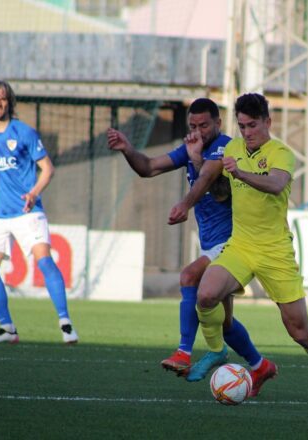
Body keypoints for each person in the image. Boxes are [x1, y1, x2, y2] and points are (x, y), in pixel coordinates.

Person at [192, 93, 308, 404]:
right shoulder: (232, 148)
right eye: (241, 126)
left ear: (268, 122)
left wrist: (240, 172)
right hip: (241, 244)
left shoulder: (281, 153)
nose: (246, 132)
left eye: (252, 125)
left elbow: (276, 184)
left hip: (275, 250)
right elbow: (219, 193)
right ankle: (217, 350)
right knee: (205, 293)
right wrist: (199, 162)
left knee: (300, 332)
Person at [106, 98, 277, 395]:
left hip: (234, 241)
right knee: (224, 323)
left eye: (204, 125)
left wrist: (189, 187)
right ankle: (260, 365)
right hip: (212, 243)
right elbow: (147, 168)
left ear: (218, 123)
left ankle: (183, 353)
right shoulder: (193, 148)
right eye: (193, 126)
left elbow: (215, 186)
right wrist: (128, 149)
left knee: (188, 277)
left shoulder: (225, 146)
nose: (198, 130)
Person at [0, 80, 78, 344]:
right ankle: (8, 329)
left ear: (9, 102)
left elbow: (48, 168)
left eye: (2, 99)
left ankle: (65, 323)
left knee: (44, 260)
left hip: (27, 211)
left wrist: (34, 192)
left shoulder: (24, 133)